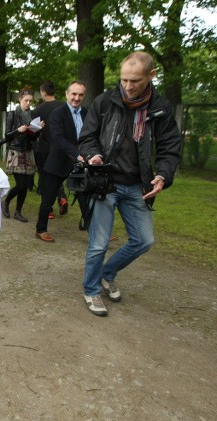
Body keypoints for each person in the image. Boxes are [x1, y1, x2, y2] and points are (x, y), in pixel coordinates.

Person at [78, 51, 182, 316]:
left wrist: (163, 175)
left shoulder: (160, 107)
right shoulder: (105, 102)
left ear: (151, 75)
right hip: (105, 184)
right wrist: (93, 155)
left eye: (134, 80)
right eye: (124, 80)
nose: (128, 86)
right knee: (99, 244)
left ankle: (107, 273)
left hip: (139, 186)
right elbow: (87, 136)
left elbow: (171, 146)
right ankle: (91, 290)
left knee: (144, 240)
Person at [35, 80, 88, 242]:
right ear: (67, 94)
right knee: (49, 198)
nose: (76, 98)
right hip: (58, 161)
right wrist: (77, 154)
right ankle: (41, 229)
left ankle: (94, 230)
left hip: (80, 163)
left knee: (85, 197)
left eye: (80, 95)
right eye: (74, 94)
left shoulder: (87, 113)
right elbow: (57, 138)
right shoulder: (58, 113)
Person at [2, 87, 41, 222]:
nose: (28, 103)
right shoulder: (12, 114)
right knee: (22, 184)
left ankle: (18, 211)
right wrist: (18, 130)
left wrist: (38, 129)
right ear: (20, 99)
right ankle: (6, 201)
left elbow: (33, 137)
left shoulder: (33, 115)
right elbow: (7, 135)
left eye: (31, 101)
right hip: (16, 151)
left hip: (28, 151)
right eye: (26, 100)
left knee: (25, 185)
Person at [34, 80, 67, 215]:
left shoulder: (39, 109)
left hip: (43, 149)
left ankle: (48, 210)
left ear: (43, 92)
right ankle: (62, 197)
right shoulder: (64, 106)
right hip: (60, 148)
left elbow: (34, 130)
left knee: (45, 179)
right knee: (58, 176)